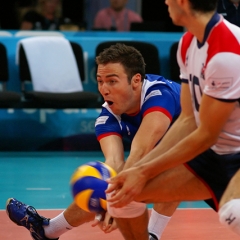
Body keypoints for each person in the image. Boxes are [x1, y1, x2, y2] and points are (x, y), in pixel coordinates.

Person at [6, 43, 181, 240]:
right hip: (185, 158)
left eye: (112, 81)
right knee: (102, 181)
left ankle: (152, 233)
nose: (104, 89)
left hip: (216, 149)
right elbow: (114, 164)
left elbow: (140, 152)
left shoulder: (159, 95)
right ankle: (48, 230)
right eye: (99, 81)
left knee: (165, 165)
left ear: (136, 80)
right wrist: (103, 199)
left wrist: (116, 205)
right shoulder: (107, 118)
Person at [104, 0, 240, 239]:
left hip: (234, 153)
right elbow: (187, 120)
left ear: (183, 2)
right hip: (215, 155)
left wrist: (143, 171)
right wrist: (134, 171)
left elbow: (205, 133)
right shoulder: (188, 43)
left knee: (233, 213)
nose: (165, 1)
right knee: (121, 195)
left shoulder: (226, 52)